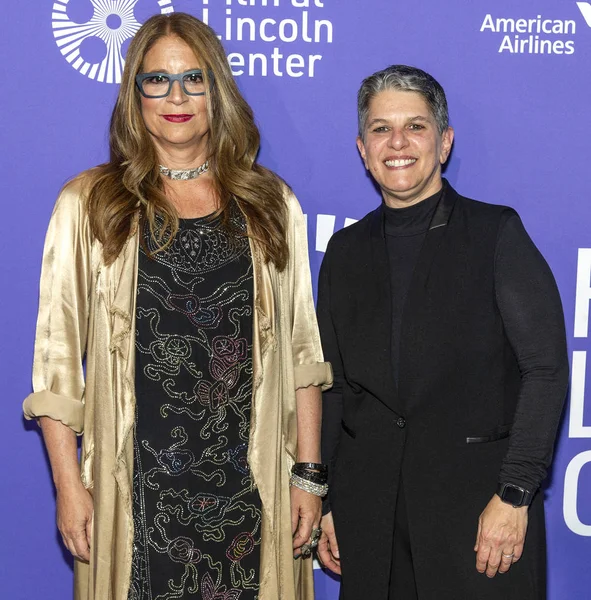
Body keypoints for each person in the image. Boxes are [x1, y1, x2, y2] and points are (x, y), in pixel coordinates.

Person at [23, 12, 332, 600]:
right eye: (156, 80)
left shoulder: (269, 203)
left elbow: (302, 353)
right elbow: (56, 361)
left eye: (193, 79)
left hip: (251, 488)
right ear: (133, 95)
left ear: (217, 91)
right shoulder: (90, 204)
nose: (176, 97)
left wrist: (308, 478)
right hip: (135, 496)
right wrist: (69, 484)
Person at [316, 65, 568, 599]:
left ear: (445, 141)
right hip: (372, 520)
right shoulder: (345, 253)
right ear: (363, 148)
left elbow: (544, 371)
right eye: (381, 129)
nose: (398, 143)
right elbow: (336, 390)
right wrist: (333, 502)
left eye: (416, 126)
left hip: (480, 518)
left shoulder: (495, 233)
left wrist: (516, 493)